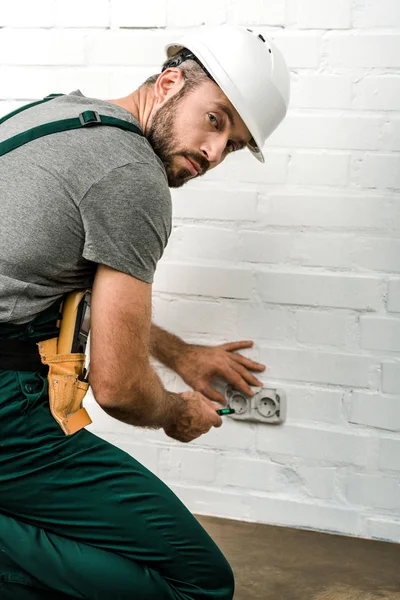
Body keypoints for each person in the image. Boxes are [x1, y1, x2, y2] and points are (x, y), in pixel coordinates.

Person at [0, 24, 290, 600]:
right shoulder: (133, 177)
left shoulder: (51, 115)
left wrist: (178, 353)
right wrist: (177, 414)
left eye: (231, 145)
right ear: (170, 82)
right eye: (216, 119)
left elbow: (64, 286)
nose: (213, 152)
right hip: (7, 416)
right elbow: (120, 389)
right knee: (198, 584)